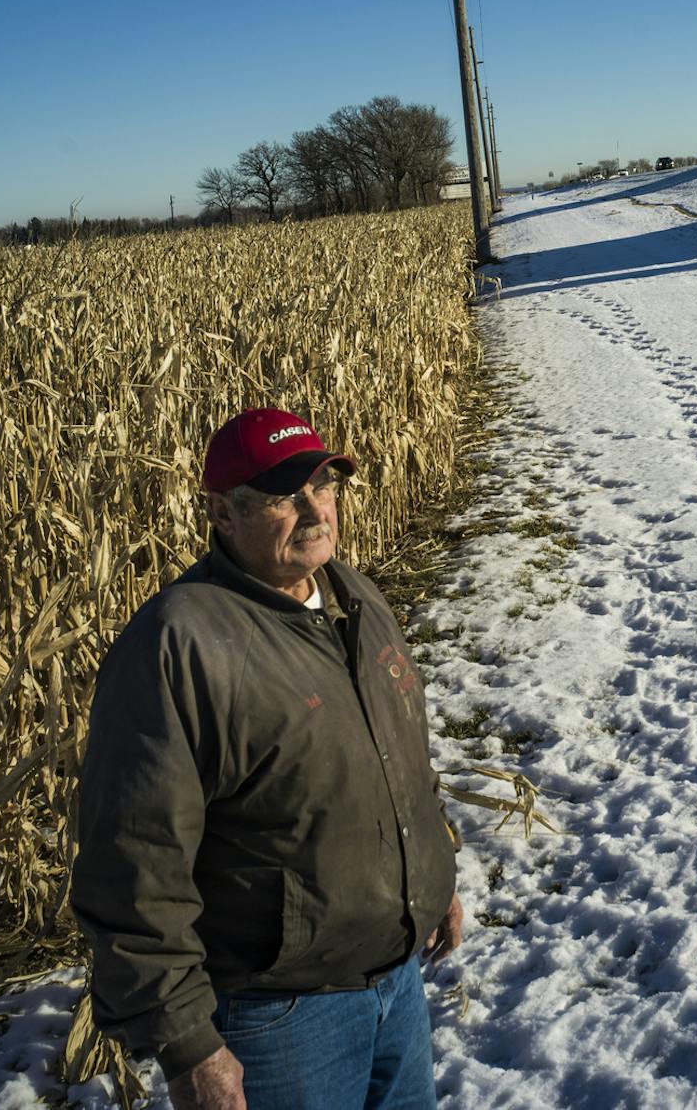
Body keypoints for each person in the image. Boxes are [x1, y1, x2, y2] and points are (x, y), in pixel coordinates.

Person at [72, 407, 462, 1110]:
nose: (316, 509)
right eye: (285, 495)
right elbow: (133, 865)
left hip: (397, 985)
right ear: (223, 512)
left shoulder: (354, 596)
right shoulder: (177, 646)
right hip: (278, 1018)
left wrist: (432, 876)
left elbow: (399, 754)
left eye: (323, 484)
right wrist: (188, 1044)